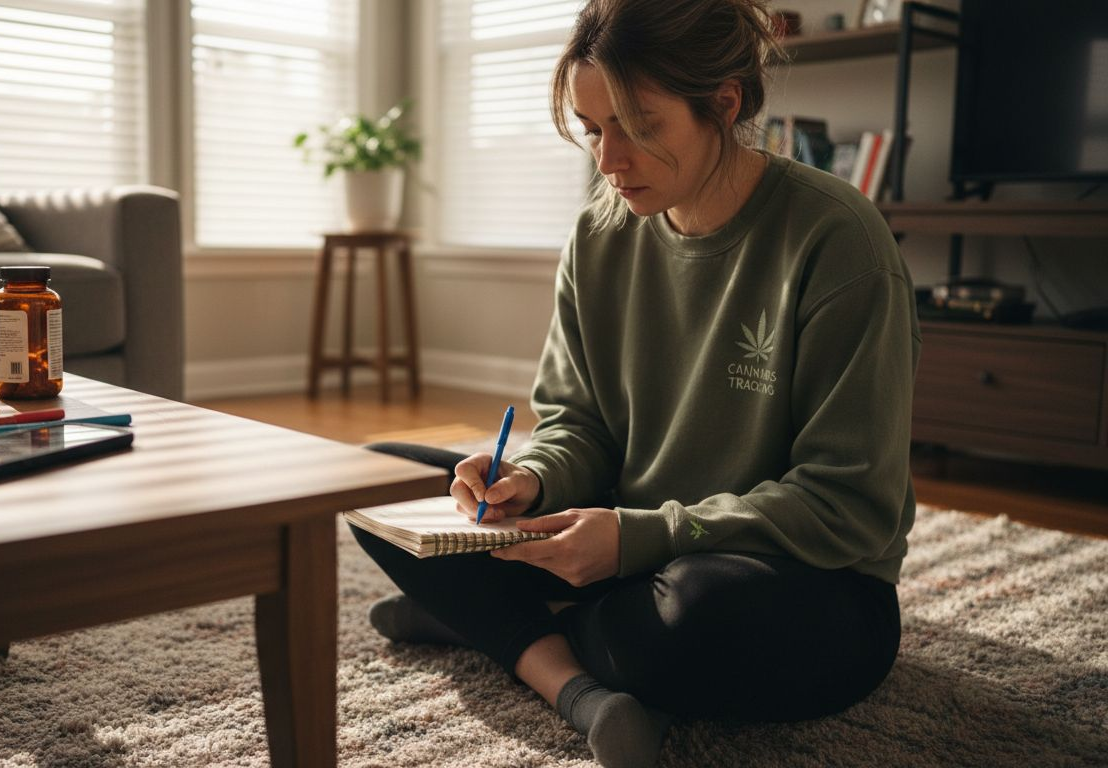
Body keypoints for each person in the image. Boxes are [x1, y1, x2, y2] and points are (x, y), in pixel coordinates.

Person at [351, 0, 920, 765]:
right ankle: (572, 680)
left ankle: (486, 620)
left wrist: (645, 538)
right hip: (619, 546)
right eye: (593, 129)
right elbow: (577, 421)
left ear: (724, 104)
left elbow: (848, 506)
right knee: (370, 477)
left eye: (638, 125)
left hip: (792, 578)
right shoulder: (598, 235)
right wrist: (533, 479)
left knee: (694, 616)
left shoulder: (838, 241)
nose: (609, 160)